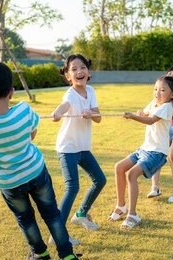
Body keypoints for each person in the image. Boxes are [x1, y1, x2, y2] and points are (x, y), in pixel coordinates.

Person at [0, 61, 79, 260]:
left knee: (25, 219)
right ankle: (67, 255)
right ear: (11, 92)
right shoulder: (24, 110)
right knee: (52, 213)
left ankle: (41, 254)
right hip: (36, 172)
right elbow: (32, 134)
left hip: (8, 182)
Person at [108, 76, 173, 229]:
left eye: (162, 90)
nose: (157, 93)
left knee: (131, 175)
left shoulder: (167, 107)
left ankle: (133, 215)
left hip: (156, 153)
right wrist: (140, 113)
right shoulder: (154, 103)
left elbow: (151, 120)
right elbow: (146, 114)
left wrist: (133, 117)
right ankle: (121, 207)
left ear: (172, 94)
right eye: (155, 89)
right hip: (144, 148)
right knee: (119, 167)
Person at [51, 54, 107, 244]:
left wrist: (90, 113)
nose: (79, 72)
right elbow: (64, 105)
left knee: (100, 180)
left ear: (88, 72)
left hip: (83, 148)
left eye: (82, 67)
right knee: (72, 187)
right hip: (67, 148)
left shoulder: (90, 91)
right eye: (73, 69)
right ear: (68, 76)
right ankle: (58, 234)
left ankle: (81, 214)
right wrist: (58, 113)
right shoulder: (70, 94)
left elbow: (99, 118)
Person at [146, 66, 173, 203]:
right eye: (169, 74)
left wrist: (162, 104)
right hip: (167, 129)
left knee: (172, 155)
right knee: (158, 154)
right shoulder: (161, 95)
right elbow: (152, 108)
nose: (171, 76)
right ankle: (155, 187)